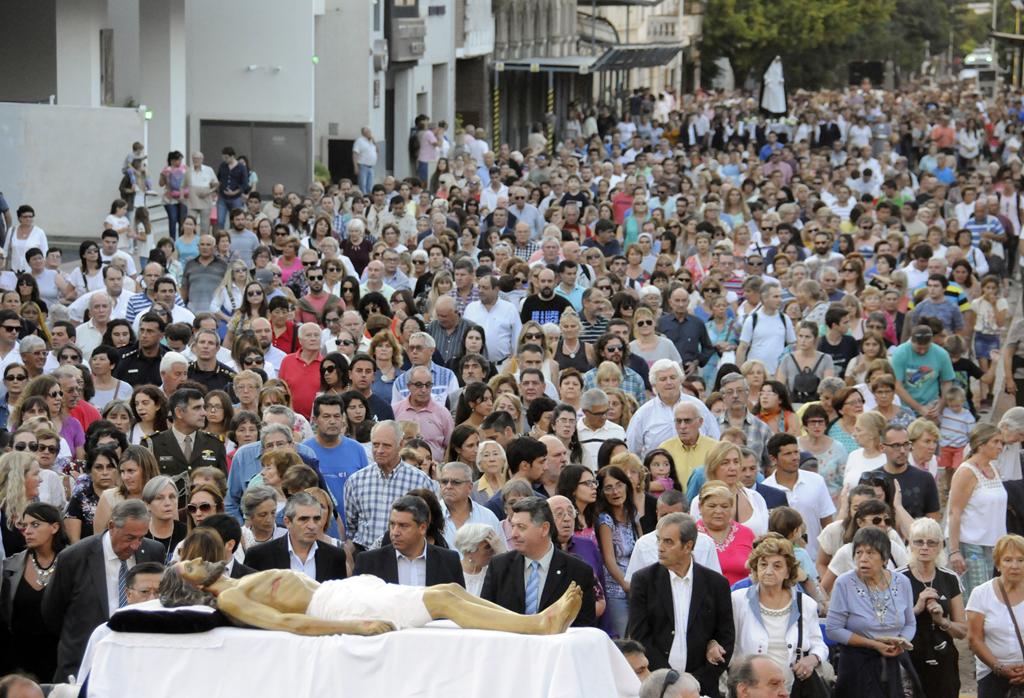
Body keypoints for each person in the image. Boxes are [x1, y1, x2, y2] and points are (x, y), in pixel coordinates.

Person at [175, 554, 584, 635]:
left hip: (345, 589)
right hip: (337, 606)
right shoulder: (230, 598)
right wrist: (352, 627)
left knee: (450, 588)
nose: (198, 560)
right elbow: (287, 622)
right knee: (442, 603)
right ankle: (536, 626)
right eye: (190, 567)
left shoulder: (237, 578)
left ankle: (534, 621)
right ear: (193, 586)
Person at [40, 500, 165, 682]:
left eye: (141, 537)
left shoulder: (153, 551)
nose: (136, 545)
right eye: (130, 538)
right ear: (112, 526)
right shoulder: (74, 557)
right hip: (83, 664)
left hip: (138, 663)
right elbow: (52, 612)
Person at [626, 512, 734, 698]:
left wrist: (698, 680)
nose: (660, 548)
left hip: (703, 687)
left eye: (668, 542)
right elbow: (640, 635)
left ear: (688, 546)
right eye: (659, 540)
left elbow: (726, 636)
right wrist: (669, 680)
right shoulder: (643, 580)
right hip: (658, 686)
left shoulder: (716, 583)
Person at [825, 526, 921, 698]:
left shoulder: (902, 582)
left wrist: (901, 642)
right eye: (859, 553)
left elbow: (910, 623)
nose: (863, 559)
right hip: (857, 664)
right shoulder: (844, 583)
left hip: (894, 660)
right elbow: (833, 629)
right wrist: (874, 644)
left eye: (870, 553)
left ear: (884, 557)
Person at [480, 496, 597, 627]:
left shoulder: (578, 572)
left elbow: (584, 627)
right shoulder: (499, 566)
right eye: (513, 526)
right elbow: (486, 616)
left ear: (545, 528)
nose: (513, 534)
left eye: (521, 527)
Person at [730, 533, 828, 689]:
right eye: (763, 564)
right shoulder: (738, 600)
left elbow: (819, 644)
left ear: (788, 572)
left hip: (792, 687)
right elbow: (730, 645)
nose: (768, 571)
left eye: (777, 566)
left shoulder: (805, 604)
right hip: (751, 689)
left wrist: (812, 659)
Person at [898, 517, 966, 698]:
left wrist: (942, 621)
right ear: (910, 544)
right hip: (908, 655)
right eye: (919, 542)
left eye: (931, 542)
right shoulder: (897, 578)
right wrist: (917, 608)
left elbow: (962, 631)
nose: (925, 547)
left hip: (943, 654)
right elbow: (888, 626)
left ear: (940, 546)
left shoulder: (949, 578)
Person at [343, 420, 438, 551]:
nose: (379, 450)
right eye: (375, 445)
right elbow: (351, 525)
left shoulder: (420, 481)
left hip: (406, 555)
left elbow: (430, 523)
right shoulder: (356, 480)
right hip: (364, 555)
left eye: (386, 445)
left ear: (401, 445)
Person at [1, 502, 68, 682]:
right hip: (17, 660)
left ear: (54, 527)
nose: (27, 531)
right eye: (25, 525)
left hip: (58, 658)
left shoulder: (71, 564)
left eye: (35, 525)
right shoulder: (10, 567)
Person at [947, 422, 1007, 602]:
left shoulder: (994, 468)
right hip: (971, 544)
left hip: (993, 545)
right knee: (978, 598)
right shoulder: (966, 471)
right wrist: (954, 551)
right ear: (981, 444)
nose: (1000, 447)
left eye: (1001, 442)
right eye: (996, 442)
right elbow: (954, 512)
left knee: (990, 596)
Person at [353, 495, 465, 586]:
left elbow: (458, 606)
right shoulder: (368, 562)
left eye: (403, 526)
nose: (395, 532)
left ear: (422, 528)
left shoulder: (449, 561)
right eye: (392, 524)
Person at [966, 533, 1024, 698]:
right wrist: (999, 667)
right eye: (1008, 560)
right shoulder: (981, 594)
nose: (1015, 566)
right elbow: (974, 639)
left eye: (1021, 560)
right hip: (992, 674)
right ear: (998, 564)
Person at [142, 388, 227, 500]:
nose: (204, 413)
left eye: (203, 407)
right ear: (179, 412)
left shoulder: (215, 444)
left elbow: (223, 486)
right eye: (197, 408)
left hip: (204, 511)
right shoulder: (152, 444)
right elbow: (146, 487)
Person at [243, 492, 347, 583]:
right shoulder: (259, 556)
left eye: (316, 519)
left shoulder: (335, 556)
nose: (312, 525)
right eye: (304, 519)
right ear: (287, 522)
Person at [762, 433, 835, 561]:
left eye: (796, 452)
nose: (795, 457)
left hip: (815, 560)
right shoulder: (765, 489)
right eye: (788, 454)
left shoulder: (817, 481)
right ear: (773, 459)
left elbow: (827, 523)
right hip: (780, 561)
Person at [453, 523, 506, 597]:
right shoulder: (452, 571)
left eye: (493, 545)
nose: (493, 551)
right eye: (487, 547)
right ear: (469, 551)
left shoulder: (493, 572)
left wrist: (502, 552)